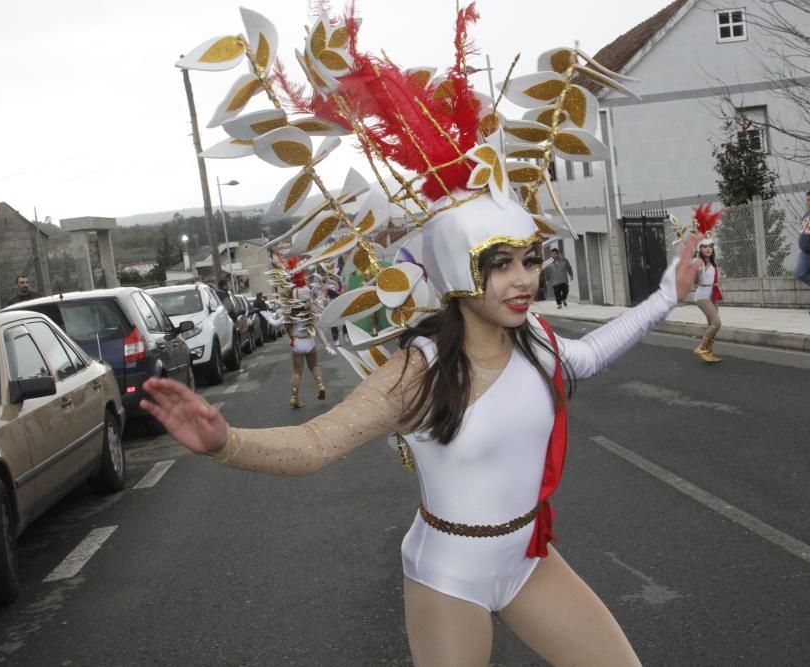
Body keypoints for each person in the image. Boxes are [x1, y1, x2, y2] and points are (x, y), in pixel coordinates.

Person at [159, 6, 689, 663]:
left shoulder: (540, 343)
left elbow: (594, 353)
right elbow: (315, 442)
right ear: (459, 273)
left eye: (528, 258)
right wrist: (225, 442)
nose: (522, 279)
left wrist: (669, 293)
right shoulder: (420, 370)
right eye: (500, 264)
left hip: (528, 557)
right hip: (449, 577)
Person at [285, 270, 332, 408]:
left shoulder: (290, 312)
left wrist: (270, 318)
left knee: (297, 372)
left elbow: (278, 323)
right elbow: (318, 330)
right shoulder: (311, 311)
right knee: (314, 366)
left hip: (297, 343)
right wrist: (327, 344)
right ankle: (321, 385)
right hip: (309, 342)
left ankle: (294, 397)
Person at [693, 237, 723, 363]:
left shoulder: (713, 263)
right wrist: (697, 271)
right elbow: (696, 283)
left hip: (712, 295)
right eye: (704, 247)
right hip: (702, 296)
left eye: (710, 246)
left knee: (711, 325)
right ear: (700, 249)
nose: (708, 249)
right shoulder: (699, 263)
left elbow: (715, 281)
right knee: (717, 323)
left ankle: (708, 352)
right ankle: (701, 348)